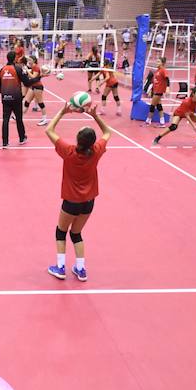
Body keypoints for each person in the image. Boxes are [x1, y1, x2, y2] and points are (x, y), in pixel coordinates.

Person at [44, 99, 111, 281]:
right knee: (76, 233)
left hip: (71, 202)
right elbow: (108, 132)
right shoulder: (96, 150)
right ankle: (80, 269)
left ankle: (60, 267)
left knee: (61, 231)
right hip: (89, 202)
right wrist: (95, 116)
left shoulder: (69, 151)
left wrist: (62, 112)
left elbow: (48, 130)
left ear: (78, 139)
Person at [0, 51, 37, 148]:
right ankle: (22, 138)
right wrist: (38, 77)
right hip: (16, 98)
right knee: (19, 118)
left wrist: (5, 93)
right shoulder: (18, 69)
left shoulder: (2, 70)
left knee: (5, 120)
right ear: (14, 58)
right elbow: (27, 83)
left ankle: (5, 142)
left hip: (5, 99)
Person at [23, 55, 49, 126]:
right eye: (28, 60)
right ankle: (19, 116)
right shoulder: (33, 67)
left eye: (30, 60)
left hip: (38, 87)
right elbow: (35, 76)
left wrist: (27, 70)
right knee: (27, 102)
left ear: (34, 60)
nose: (28, 61)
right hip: (32, 86)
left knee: (40, 103)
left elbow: (33, 77)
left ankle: (45, 119)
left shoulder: (35, 67)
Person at [145, 57, 168, 127]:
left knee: (152, 105)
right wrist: (150, 91)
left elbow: (167, 78)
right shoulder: (157, 71)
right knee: (158, 105)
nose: (156, 63)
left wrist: (168, 87)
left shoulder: (163, 70)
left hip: (159, 91)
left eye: (158, 62)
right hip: (155, 90)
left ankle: (148, 120)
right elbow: (154, 82)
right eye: (156, 61)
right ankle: (162, 121)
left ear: (162, 63)